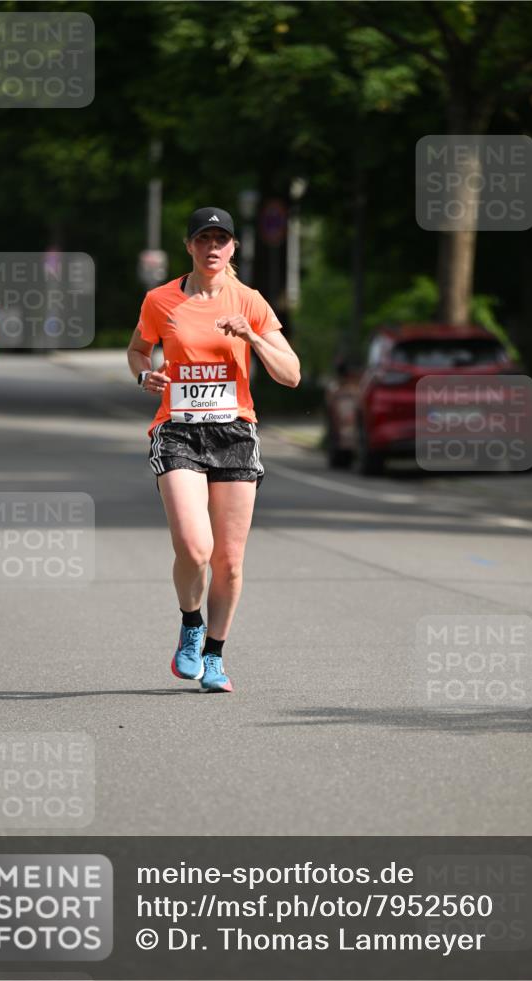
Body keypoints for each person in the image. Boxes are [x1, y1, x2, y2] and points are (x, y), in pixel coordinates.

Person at [127, 206, 300, 692]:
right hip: (178, 428)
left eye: (221, 240)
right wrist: (145, 373)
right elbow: (138, 349)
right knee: (194, 546)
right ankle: (190, 622)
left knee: (228, 560)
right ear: (189, 246)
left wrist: (252, 337)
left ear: (233, 249)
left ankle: (216, 655)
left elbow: (292, 375)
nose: (212, 248)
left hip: (235, 434)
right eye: (203, 239)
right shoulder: (161, 300)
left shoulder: (249, 301)